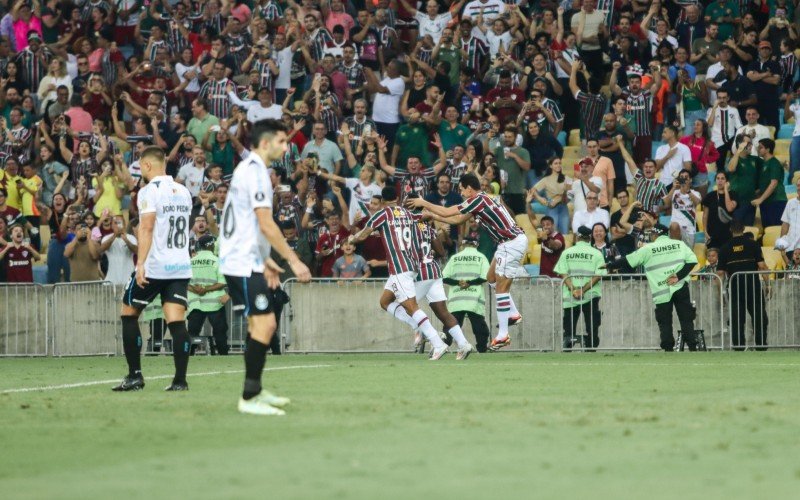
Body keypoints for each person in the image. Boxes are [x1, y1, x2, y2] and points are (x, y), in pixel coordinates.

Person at [219, 119, 312, 416]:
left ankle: (255, 390)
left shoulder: (247, 169)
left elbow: (247, 223)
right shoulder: (257, 172)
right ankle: (249, 397)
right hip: (241, 261)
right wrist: (293, 260)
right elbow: (264, 222)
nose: (286, 147)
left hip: (246, 257)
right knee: (266, 324)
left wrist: (267, 260)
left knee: (262, 324)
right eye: (283, 141)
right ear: (266, 142)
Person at [407, 173, 527, 351]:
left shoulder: (477, 199)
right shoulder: (482, 200)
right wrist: (432, 215)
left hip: (511, 242)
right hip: (506, 243)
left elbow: (449, 211)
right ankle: (513, 313)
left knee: (501, 287)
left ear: (469, 187)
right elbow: (457, 219)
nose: (462, 193)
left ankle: (503, 334)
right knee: (491, 278)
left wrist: (423, 203)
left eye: (462, 190)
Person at [114, 147, 194, 393]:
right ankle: (180, 381)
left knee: (129, 313)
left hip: (155, 266)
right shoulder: (183, 191)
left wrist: (140, 264)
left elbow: (147, 228)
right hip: (179, 266)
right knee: (176, 322)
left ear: (147, 166)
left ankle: (135, 375)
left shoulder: (149, 191)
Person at [349, 185, 453, 359]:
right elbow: (424, 216)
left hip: (400, 268)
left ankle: (437, 342)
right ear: (397, 199)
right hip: (412, 264)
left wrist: (352, 237)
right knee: (385, 301)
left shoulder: (382, 214)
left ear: (382, 201)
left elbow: (362, 236)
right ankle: (423, 329)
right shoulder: (407, 213)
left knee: (411, 307)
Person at [608, 224, 702, 351]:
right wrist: (678, 276)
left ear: (655, 234)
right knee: (686, 318)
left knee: (665, 322)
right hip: (680, 287)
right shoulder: (679, 244)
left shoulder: (648, 249)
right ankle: (692, 347)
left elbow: (628, 260)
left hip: (661, 291)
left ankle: (668, 349)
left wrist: (610, 265)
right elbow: (692, 261)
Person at [717, 220, 769, 351]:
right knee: (759, 317)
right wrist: (768, 285)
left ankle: (739, 347)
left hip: (735, 288)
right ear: (744, 228)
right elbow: (762, 266)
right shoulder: (753, 244)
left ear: (730, 230)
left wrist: (720, 294)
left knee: (737, 319)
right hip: (753, 287)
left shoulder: (724, 248)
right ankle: (761, 345)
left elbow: (719, 274)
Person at [554, 225, 605, 351]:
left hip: (570, 297)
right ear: (589, 238)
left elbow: (562, 273)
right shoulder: (596, 253)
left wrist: (573, 290)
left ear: (577, 237)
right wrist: (583, 290)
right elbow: (598, 275)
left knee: (569, 328)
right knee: (592, 326)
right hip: (590, 295)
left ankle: (568, 350)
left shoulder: (567, 253)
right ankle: (591, 350)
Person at [441, 235, 491, 352]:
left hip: (457, 299)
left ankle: (442, 347)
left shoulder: (455, 258)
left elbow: (444, 277)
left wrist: (459, 282)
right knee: (479, 327)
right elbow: (486, 277)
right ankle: (482, 349)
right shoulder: (481, 257)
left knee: (451, 325)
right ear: (477, 244)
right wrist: (469, 283)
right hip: (474, 299)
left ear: (463, 244)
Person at [187, 235, 229, 356]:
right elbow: (222, 283)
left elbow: (184, 282)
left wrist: (196, 289)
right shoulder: (217, 261)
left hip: (196, 302)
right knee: (220, 333)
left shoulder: (191, 261)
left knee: (192, 334)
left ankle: (188, 357)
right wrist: (206, 289)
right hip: (215, 303)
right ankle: (224, 357)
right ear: (211, 245)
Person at [753, 138, 788, 228]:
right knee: (767, 230)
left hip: (776, 201)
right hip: (766, 202)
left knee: (775, 230)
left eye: (761, 147)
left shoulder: (774, 163)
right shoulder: (764, 163)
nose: (758, 149)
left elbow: (773, 183)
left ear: (768, 149)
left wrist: (760, 199)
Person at [663, 169, 702, 248]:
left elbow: (697, 202)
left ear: (690, 180)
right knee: (674, 225)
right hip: (675, 230)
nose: (683, 179)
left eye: (686, 177)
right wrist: (673, 188)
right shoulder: (674, 192)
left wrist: (687, 191)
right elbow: (666, 204)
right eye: (681, 177)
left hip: (689, 230)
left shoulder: (695, 193)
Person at [702, 172, 737, 250]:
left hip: (728, 233)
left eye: (722, 178)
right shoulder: (710, 196)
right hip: (712, 234)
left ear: (727, 181)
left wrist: (726, 190)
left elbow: (729, 208)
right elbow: (705, 216)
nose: (720, 181)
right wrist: (705, 231)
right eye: (718, 178)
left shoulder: (733, 194)